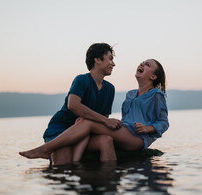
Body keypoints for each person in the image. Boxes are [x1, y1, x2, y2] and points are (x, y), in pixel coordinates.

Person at [19, 59, 169, 164]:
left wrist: (148, 128)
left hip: (138, 137)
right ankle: (76, 163)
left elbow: (164, 122)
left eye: (147, 64)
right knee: (82, 121)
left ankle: (46, 149)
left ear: (153, 76)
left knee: (86, 121)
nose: (142, 64)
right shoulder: (130, 94)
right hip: (126, 131)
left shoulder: (156, 95)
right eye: (142, 62)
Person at [40, 43, 122, 165]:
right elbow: (72, 105)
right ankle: (48, 151)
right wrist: (105, 121)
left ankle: (108, 180)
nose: (113, 64)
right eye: (110, 58)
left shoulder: (110, 89)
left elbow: (104, 118)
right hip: (61, 129)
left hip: (85, 132)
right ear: (97, 60)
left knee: (107, 140)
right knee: (64, 160)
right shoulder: (82, 80)